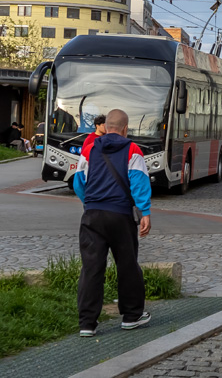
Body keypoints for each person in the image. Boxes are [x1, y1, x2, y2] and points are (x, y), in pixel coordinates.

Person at [73, 108, 152, 337]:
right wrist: (144, 212)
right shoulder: (133, 150)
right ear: (126, 129)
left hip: (92, 216)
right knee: (127, 265)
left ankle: (87, 324)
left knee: (91, 268)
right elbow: (139, 183)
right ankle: (131, 316)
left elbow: (79, 182)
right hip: (121, 216)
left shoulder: (89, 149)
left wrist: (90, 203)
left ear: (105, 127)